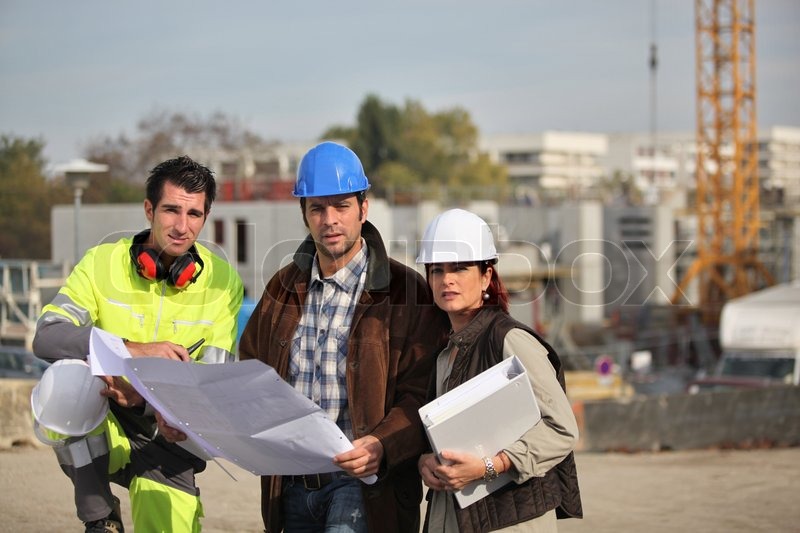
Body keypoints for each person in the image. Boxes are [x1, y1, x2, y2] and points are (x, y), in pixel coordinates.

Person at [238, 141, 449, 533]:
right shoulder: (281, 289)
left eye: (341, 206)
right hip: (292, 485)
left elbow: (423, 393)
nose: (330, 219)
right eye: (317, 208)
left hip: (364, 485)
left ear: (363, 209)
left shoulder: (406, 292)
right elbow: (251, 372)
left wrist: (383, 444)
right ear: (304, 214)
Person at [32, 155, 244, 533]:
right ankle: (100, 518)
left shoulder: (224, 281)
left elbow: (212, 384)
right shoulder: (102, 262)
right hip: (105, 420)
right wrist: (128, 349)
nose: (182, 226)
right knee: (65, 382)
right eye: (171, 210)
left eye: (194, 214)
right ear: (149, 210)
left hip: (169, 433)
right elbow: (47, 335)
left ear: (206, 217)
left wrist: (146, 400)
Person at [415, 209, 582, 532]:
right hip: (451, 519)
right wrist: (426, 461)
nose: (447, 279)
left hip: (510, 521)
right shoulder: (443, 353)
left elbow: (562, 429)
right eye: (436, 270)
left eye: (459, 268)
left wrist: (491, 466)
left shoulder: (509, 339)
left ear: (486, 277)